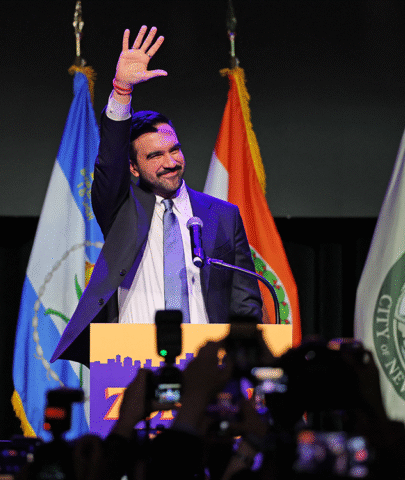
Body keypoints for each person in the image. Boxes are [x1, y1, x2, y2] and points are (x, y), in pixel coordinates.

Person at [51, 26, 262, 364]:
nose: (171, 162)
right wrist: (121, 92)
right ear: (133, 168)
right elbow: (109, 162)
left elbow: (244, 297)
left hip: (208, 363)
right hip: (131, 359)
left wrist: (244, 357)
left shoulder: (222, 215)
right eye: (155, 156)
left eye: (174, 150)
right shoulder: (122, 207)